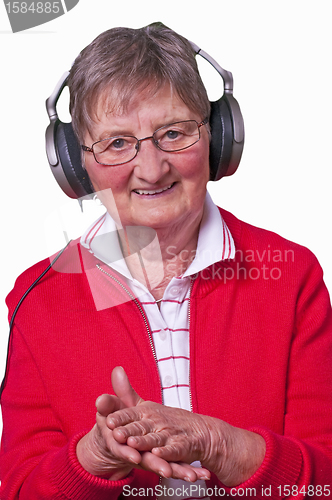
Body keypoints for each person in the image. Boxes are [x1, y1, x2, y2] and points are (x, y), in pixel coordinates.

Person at [1, 22, 332, 499]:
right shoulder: (38, 299)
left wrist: (221, 445)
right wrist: (93, 458)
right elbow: (18, 491)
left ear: (218, 137)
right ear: (77, 166)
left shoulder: (293, 277)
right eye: (117, 143)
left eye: (173, 133)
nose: (152, 169)